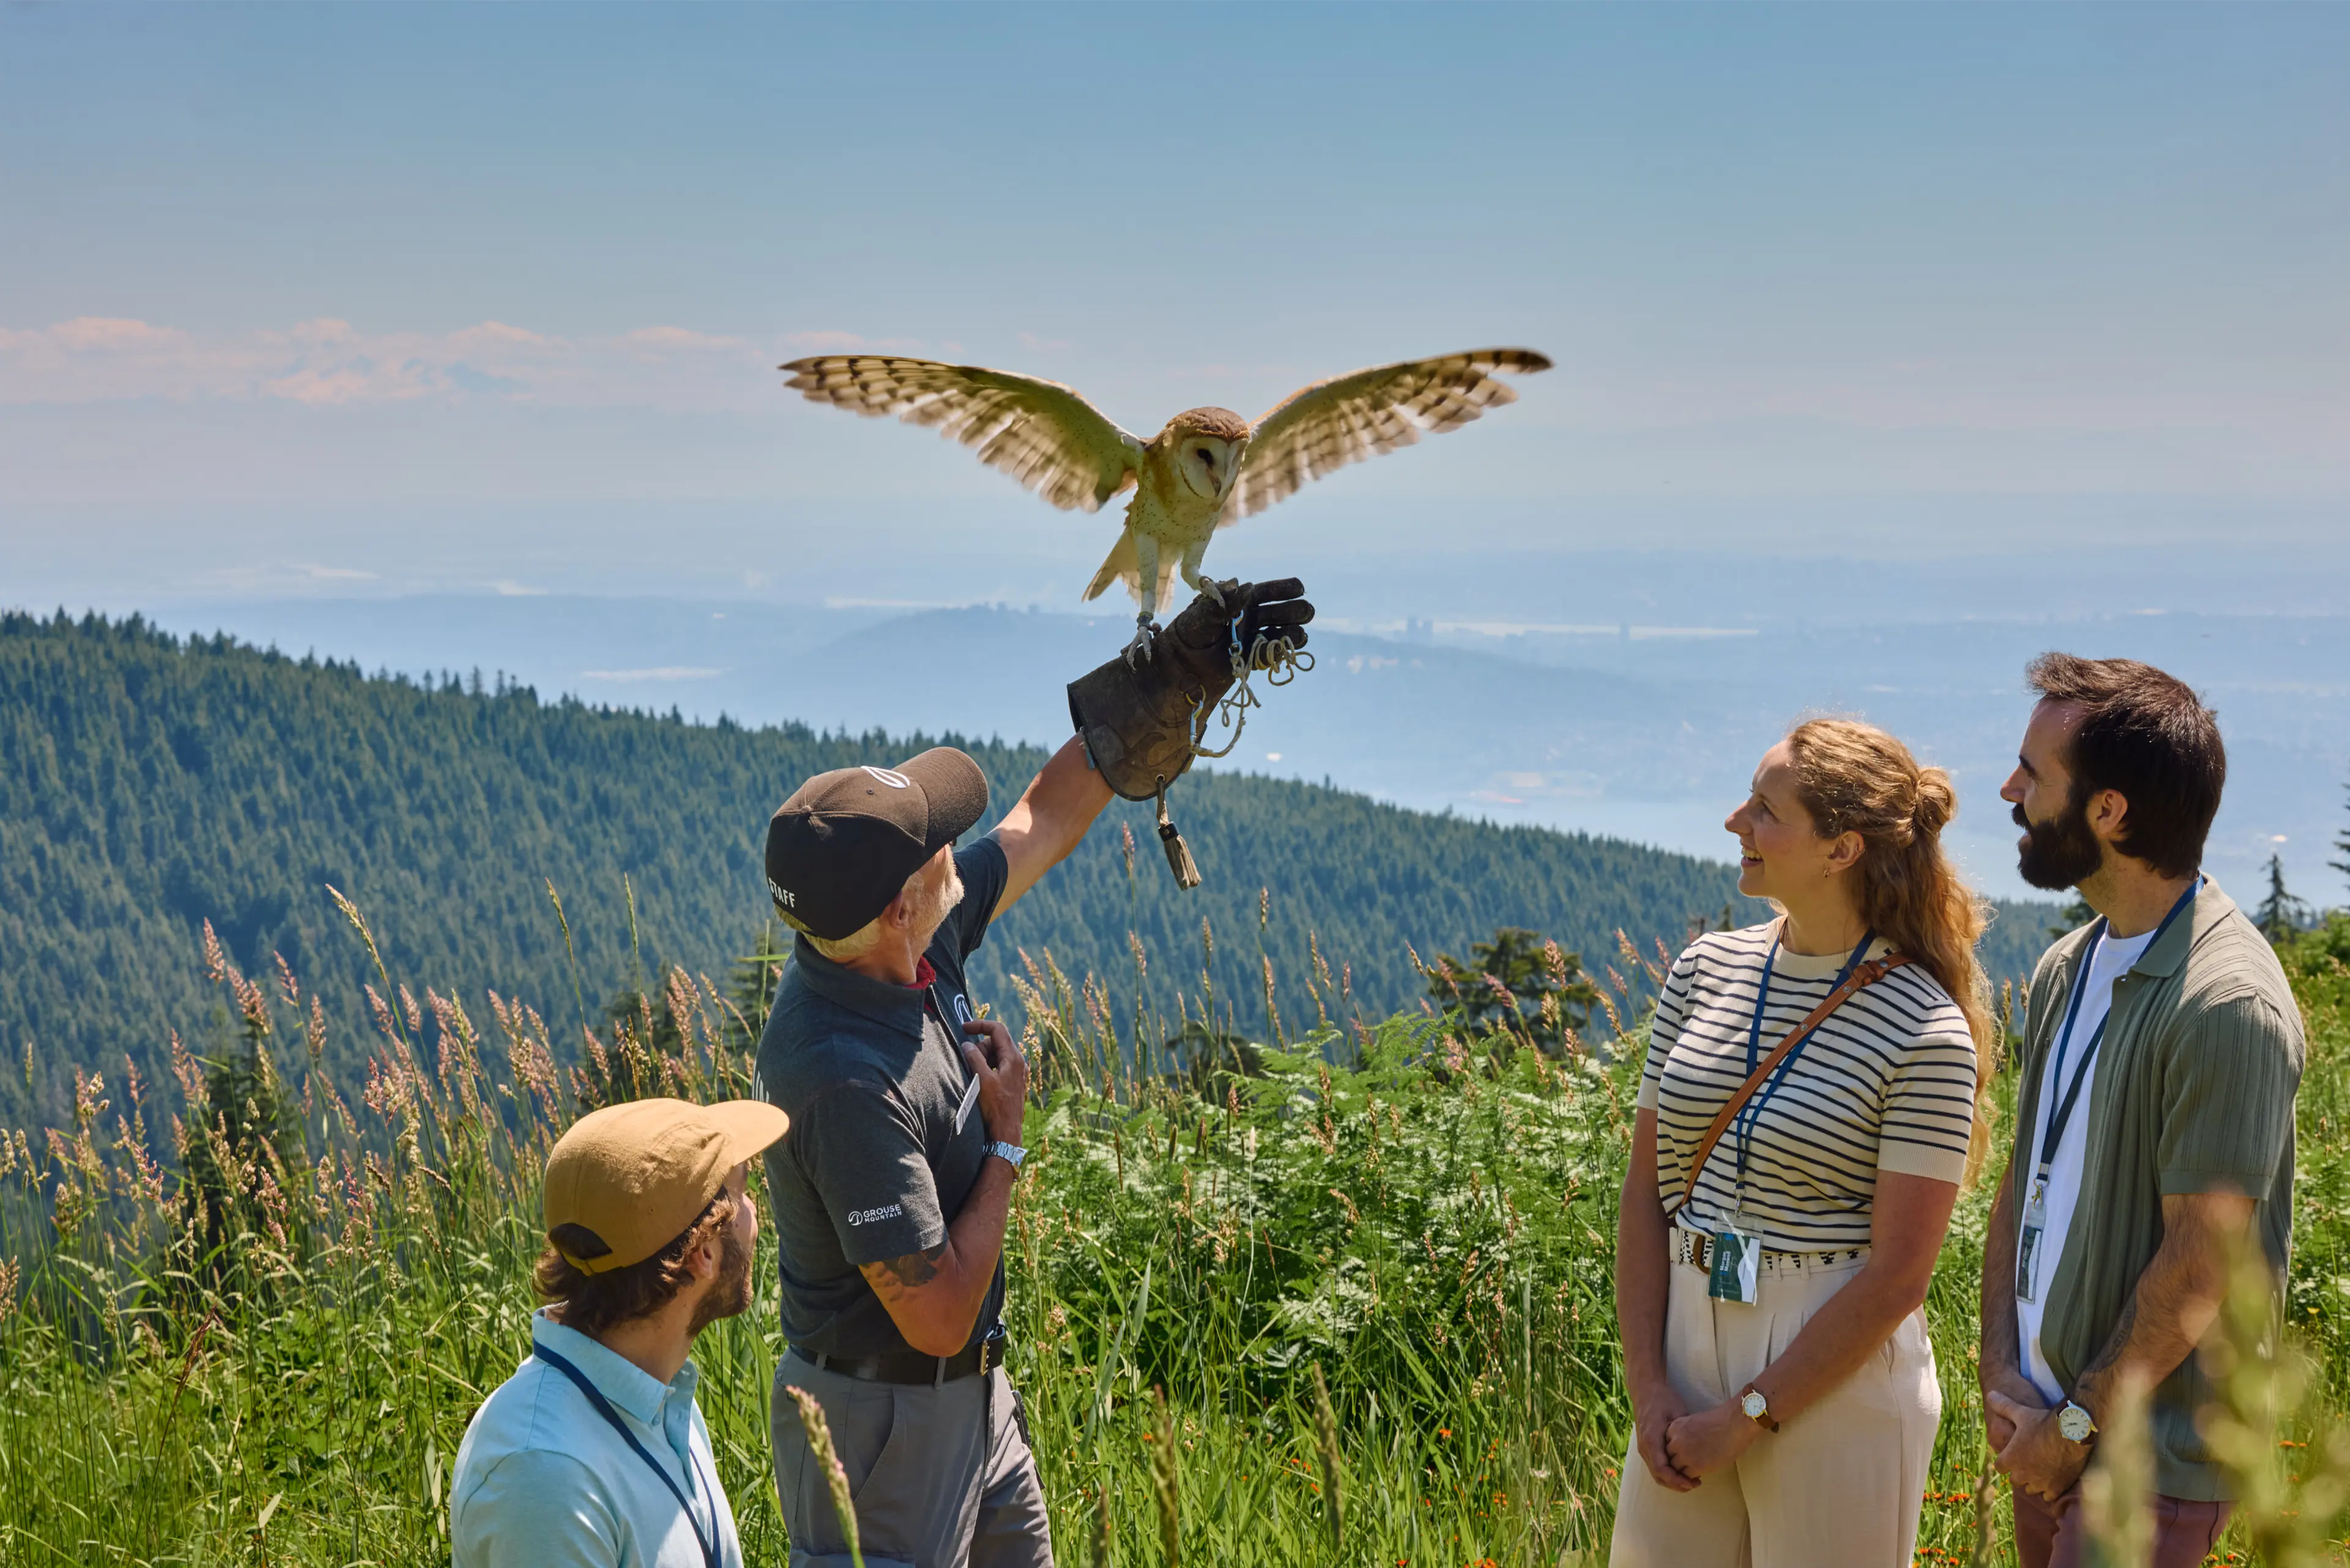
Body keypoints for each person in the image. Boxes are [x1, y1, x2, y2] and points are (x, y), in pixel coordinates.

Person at [754, 581, 1313, 1567]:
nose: (954, 854)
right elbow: (932, 1315)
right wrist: (1007, 1138)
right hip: (881, 1431)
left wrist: (1173, 679)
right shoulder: (841, 1073)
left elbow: (1036, 821)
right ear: (895, 905)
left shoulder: (912, 946)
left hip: (971, 1402)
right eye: (936, 846)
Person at [1611, 719, 1993, 1568]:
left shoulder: (1925, 1028)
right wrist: (1649, 1384)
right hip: (1684, 1333)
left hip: (1832, 1365)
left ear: (1840, 848)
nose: (1734, 821)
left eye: (1765, 808)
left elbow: (1899, 1273)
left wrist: (1748, 1413)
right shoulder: (1703, 971)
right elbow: (1646, 1192)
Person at [1979, 654, 2303, 1568]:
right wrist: (2001, 1368)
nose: (2009, 789)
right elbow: (2024, 1176)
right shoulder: (2065, 967)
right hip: (2046, 1429)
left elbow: (2204, 1261)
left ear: (2108, 810)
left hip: (2144, 1457)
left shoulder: (2226, 1004)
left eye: (2033, 774)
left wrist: (2076, 1424)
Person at [451, 1095, 790, 1568]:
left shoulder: (661, 1403)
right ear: (705, 1253)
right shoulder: (546, 1475)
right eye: (744, 1190)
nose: (754, 1213)